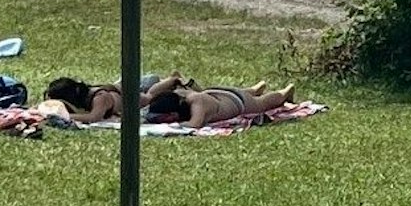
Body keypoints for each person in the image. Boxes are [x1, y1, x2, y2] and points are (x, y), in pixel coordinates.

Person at [37, 71, 190, 123]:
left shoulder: (99, 99)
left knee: (149, 97)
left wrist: (66, 116)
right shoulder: (87, 96)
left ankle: (172, 80)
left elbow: (93, 117)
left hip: (128, 98)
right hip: (117, 91)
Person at [145, 80, 296, 129]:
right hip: (216, 93)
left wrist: (169, 126)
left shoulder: (197, 102)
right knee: (248, 94)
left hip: (236, 101)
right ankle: (255, 89)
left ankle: (284, 93)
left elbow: (195, 124)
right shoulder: (176, 97)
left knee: (262, 103)